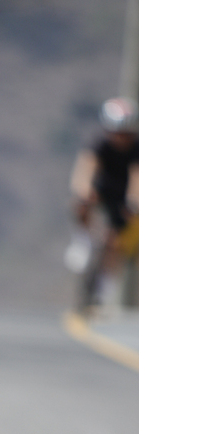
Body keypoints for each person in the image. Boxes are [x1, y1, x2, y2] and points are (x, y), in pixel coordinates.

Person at [70, 96, 139, 310]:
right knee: (80, 203)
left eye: (126, 133)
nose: (121, 138)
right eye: (117, 133)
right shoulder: (99, 145)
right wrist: (84, 192)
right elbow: (85, 170)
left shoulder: (138, 149)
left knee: (115, 243)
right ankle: (83, 240)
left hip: (123, 195)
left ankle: (104, 290)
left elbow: (138, 177)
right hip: (102, 189)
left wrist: (134, 203)